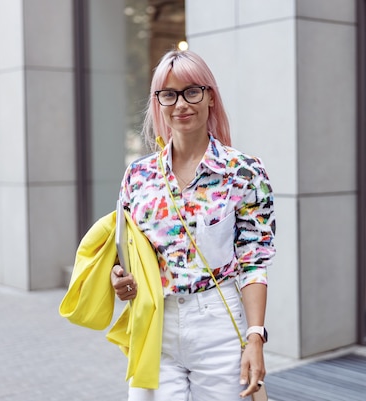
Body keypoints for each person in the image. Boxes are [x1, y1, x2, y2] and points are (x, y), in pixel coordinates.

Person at [111, 49, 276, 401]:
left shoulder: (244, 171)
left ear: (210, 97)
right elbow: (126, 252)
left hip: (218, 319)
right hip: (156, 322)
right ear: (158, 102)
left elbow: (254, 263)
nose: (180, 104)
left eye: (191, 91)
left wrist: (255, 337)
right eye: (168, 94)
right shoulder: (138, 175)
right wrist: (120, 280)